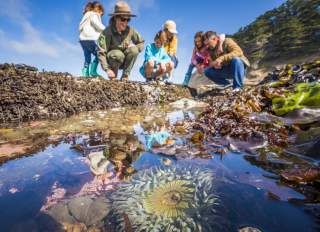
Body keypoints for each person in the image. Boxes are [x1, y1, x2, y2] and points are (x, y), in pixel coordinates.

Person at [97, 1, 144, 81]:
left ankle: (125, 77)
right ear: (116, 18)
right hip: (112, 60)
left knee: (134, 50)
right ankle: (113, 77)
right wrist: (107, 69)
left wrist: (135, 46)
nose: (125, 23)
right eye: (123, 19)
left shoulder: (130, 30)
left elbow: (141, 42)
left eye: (128, 20)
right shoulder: (107, 32)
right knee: (117, 54)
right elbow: (101, 52)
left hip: (124, 60)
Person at [79, 1, 105, 77]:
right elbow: (97, 24)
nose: (101, 16)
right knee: (99, 54)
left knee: (87, 57)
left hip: (83, 40)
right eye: (101, 14)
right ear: (99, 10)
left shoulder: (85, 17)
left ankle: (85, 72)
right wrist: (106, 30)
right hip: (91, 39)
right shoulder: (94, 15)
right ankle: (93, 71)